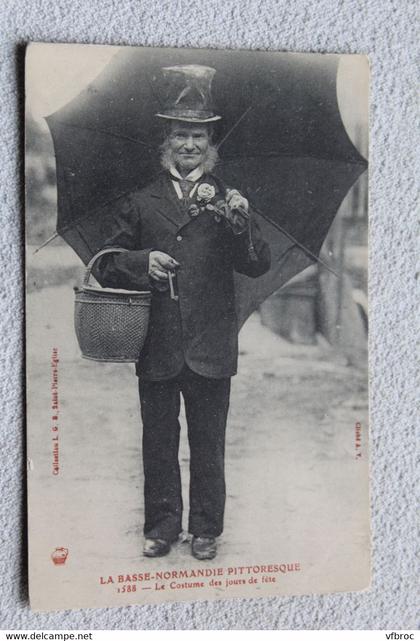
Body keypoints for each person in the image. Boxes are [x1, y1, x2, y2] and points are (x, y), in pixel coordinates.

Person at [96, 65, 271, 560]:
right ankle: (161, 527)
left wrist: (242, 225)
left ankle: (206, 530)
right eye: (179, 135)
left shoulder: (230, 201)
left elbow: (257, 265)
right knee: (158, 440)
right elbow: (106, 264)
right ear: (166, 142)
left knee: (209, 442)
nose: (188, 144)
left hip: (211, 344)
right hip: (157, 341)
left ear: (210, 142)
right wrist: (140, 262)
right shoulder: (141, 201)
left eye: (197, 135)